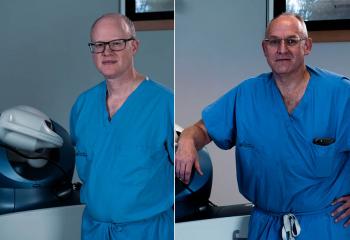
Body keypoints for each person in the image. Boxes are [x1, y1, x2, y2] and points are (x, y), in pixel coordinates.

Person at [175, 12, 350, 239]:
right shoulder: (247, 94)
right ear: (264, 48)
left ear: (307, 46)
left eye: (291, 41)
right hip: (267, 227)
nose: (282, 49)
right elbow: (202, 129)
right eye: (274, 42)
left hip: (327, 225)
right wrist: (188, 140)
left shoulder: (340, 93)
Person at [70, 13, 174, 240]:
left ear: (134, 46)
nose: (106, 52)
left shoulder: (165, 103)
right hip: (95, 230)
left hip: (147, 231)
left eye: (116, 43)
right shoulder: (83, 105)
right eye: (98, 45)